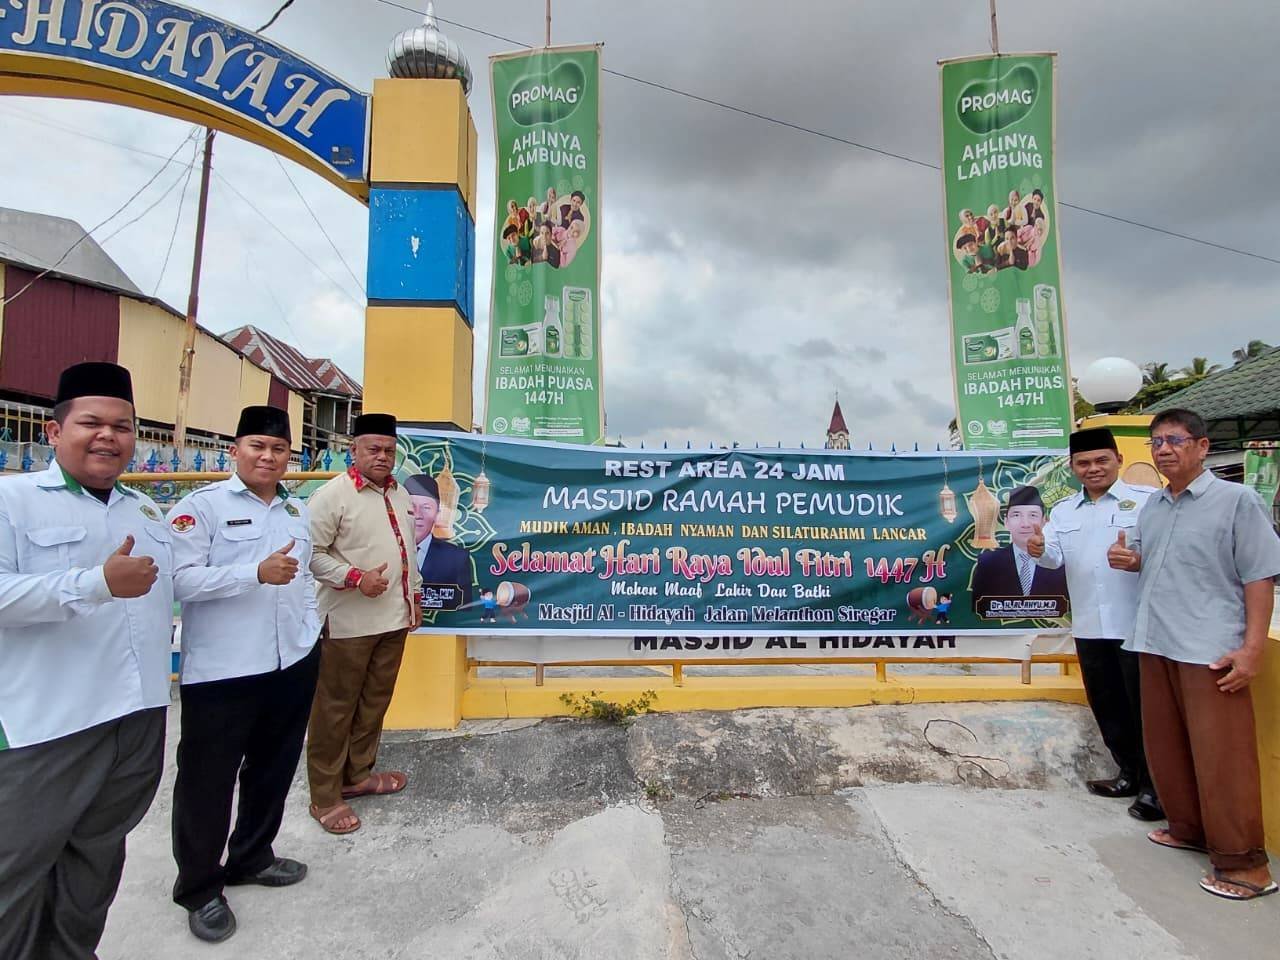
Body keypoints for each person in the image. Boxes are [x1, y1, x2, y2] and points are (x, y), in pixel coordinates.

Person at [0, 362, 172, 959]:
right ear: (53, 432)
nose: (108, 436)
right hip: (46, 727)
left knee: (96, 863)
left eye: (122, 426)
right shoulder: (11, 500)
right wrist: (94, 583)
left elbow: (176, 588)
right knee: (15, 875)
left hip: (137, 717)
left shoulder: (143, 512)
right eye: (91, 423)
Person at [1111, 408, 1280, 901]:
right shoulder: (1155, 505)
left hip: (1209, 648)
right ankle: (1188, 829)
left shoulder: (1236, 501)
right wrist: (1128, 559)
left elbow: (1259, 578)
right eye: (1157, 442)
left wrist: (1251, 650)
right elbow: (1149, 559)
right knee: (1167, 750)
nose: (1164, 450)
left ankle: (1245, 866)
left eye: (1175, 440)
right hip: (1155, 639)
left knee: (1222, 758)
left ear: (1202, 447)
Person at [167, 406, 321, 943]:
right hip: (224, 670)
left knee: (272, 770)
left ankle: (252, 856)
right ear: (236, 449)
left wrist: (310, 629)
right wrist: (252, 574)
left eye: (279, 449)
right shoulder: (199, 509)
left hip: (289, 662)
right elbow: (180, 582)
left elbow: (302, 580)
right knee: (207, 782)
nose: (269, 456)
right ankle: (200, 888)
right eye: (258, 446)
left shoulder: (295, 512)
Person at [1029, 427, 1161, 820]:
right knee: (1107, 706)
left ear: (1118, 459)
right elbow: (1052, 555)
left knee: (1146, 710)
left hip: (1136, 625)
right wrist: (1038, 549)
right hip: (1088, 624)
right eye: (1083, 463)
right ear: (1072, 468)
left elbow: (1169, 554)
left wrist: (1138, 561)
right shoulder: (1064, 510)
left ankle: (1158, 789)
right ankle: (1128, 774)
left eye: (1101, 460)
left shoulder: (1147, 502)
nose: (1093, 469)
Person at [306, 414, 422, 835]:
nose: (382, 457)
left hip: (394, 619)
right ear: (353, 450)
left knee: (374, 703)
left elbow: (406, 551)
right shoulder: (331, 496)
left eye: (389, 450)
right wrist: (354, 578)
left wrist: (415, 598)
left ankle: (357, 776)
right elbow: (311, 554)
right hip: (349, 623)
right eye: (373, 449)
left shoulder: (401, 494)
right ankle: (324, 795)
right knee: (335, 709)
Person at [970, 485, 1069, 617]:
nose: (1025, 524)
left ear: (1045, 521)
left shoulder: (1061, 561)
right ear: (1006, 522)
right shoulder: (988, 562)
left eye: (1033, 515)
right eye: (1016, 515)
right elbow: (979, 609)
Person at [404, 473, 473, 613]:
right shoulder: (384, 550)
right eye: (412, 507)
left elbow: (463, 613)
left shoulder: (457, 558)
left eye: (426, 508)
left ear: (437, 513)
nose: (418, 515)